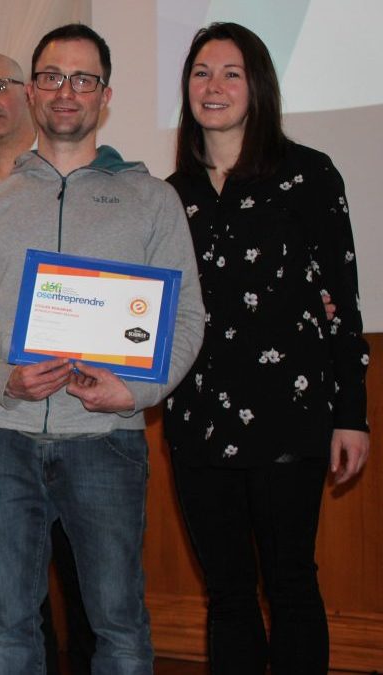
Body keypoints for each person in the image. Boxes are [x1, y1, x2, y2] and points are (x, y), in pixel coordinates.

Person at [0, 24, 206, 674]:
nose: (66, 92)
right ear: (34, 89)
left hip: (107, 439)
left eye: (83, 79)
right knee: (10, 631)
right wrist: (5, 381)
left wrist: (135, 392)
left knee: (118, 625)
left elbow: (188, 317)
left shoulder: (151, 199)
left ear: (104, 97)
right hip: (3, 441)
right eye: (53, 77)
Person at [164, 23, 370, 675]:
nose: (214, 86)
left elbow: (344, 300)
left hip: (291, 418)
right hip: (196, 422)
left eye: (231, 72)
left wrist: (352, 414)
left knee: (290, 585)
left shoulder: (309, 175)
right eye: (201, 72)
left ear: (258, 86)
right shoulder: (171, 196)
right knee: (226, 597)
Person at [0, 51, 96, 675]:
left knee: (92, 593)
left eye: (0, 86)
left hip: (87, 419)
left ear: (33, 96)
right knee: (13, 603)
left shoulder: (97, 184)